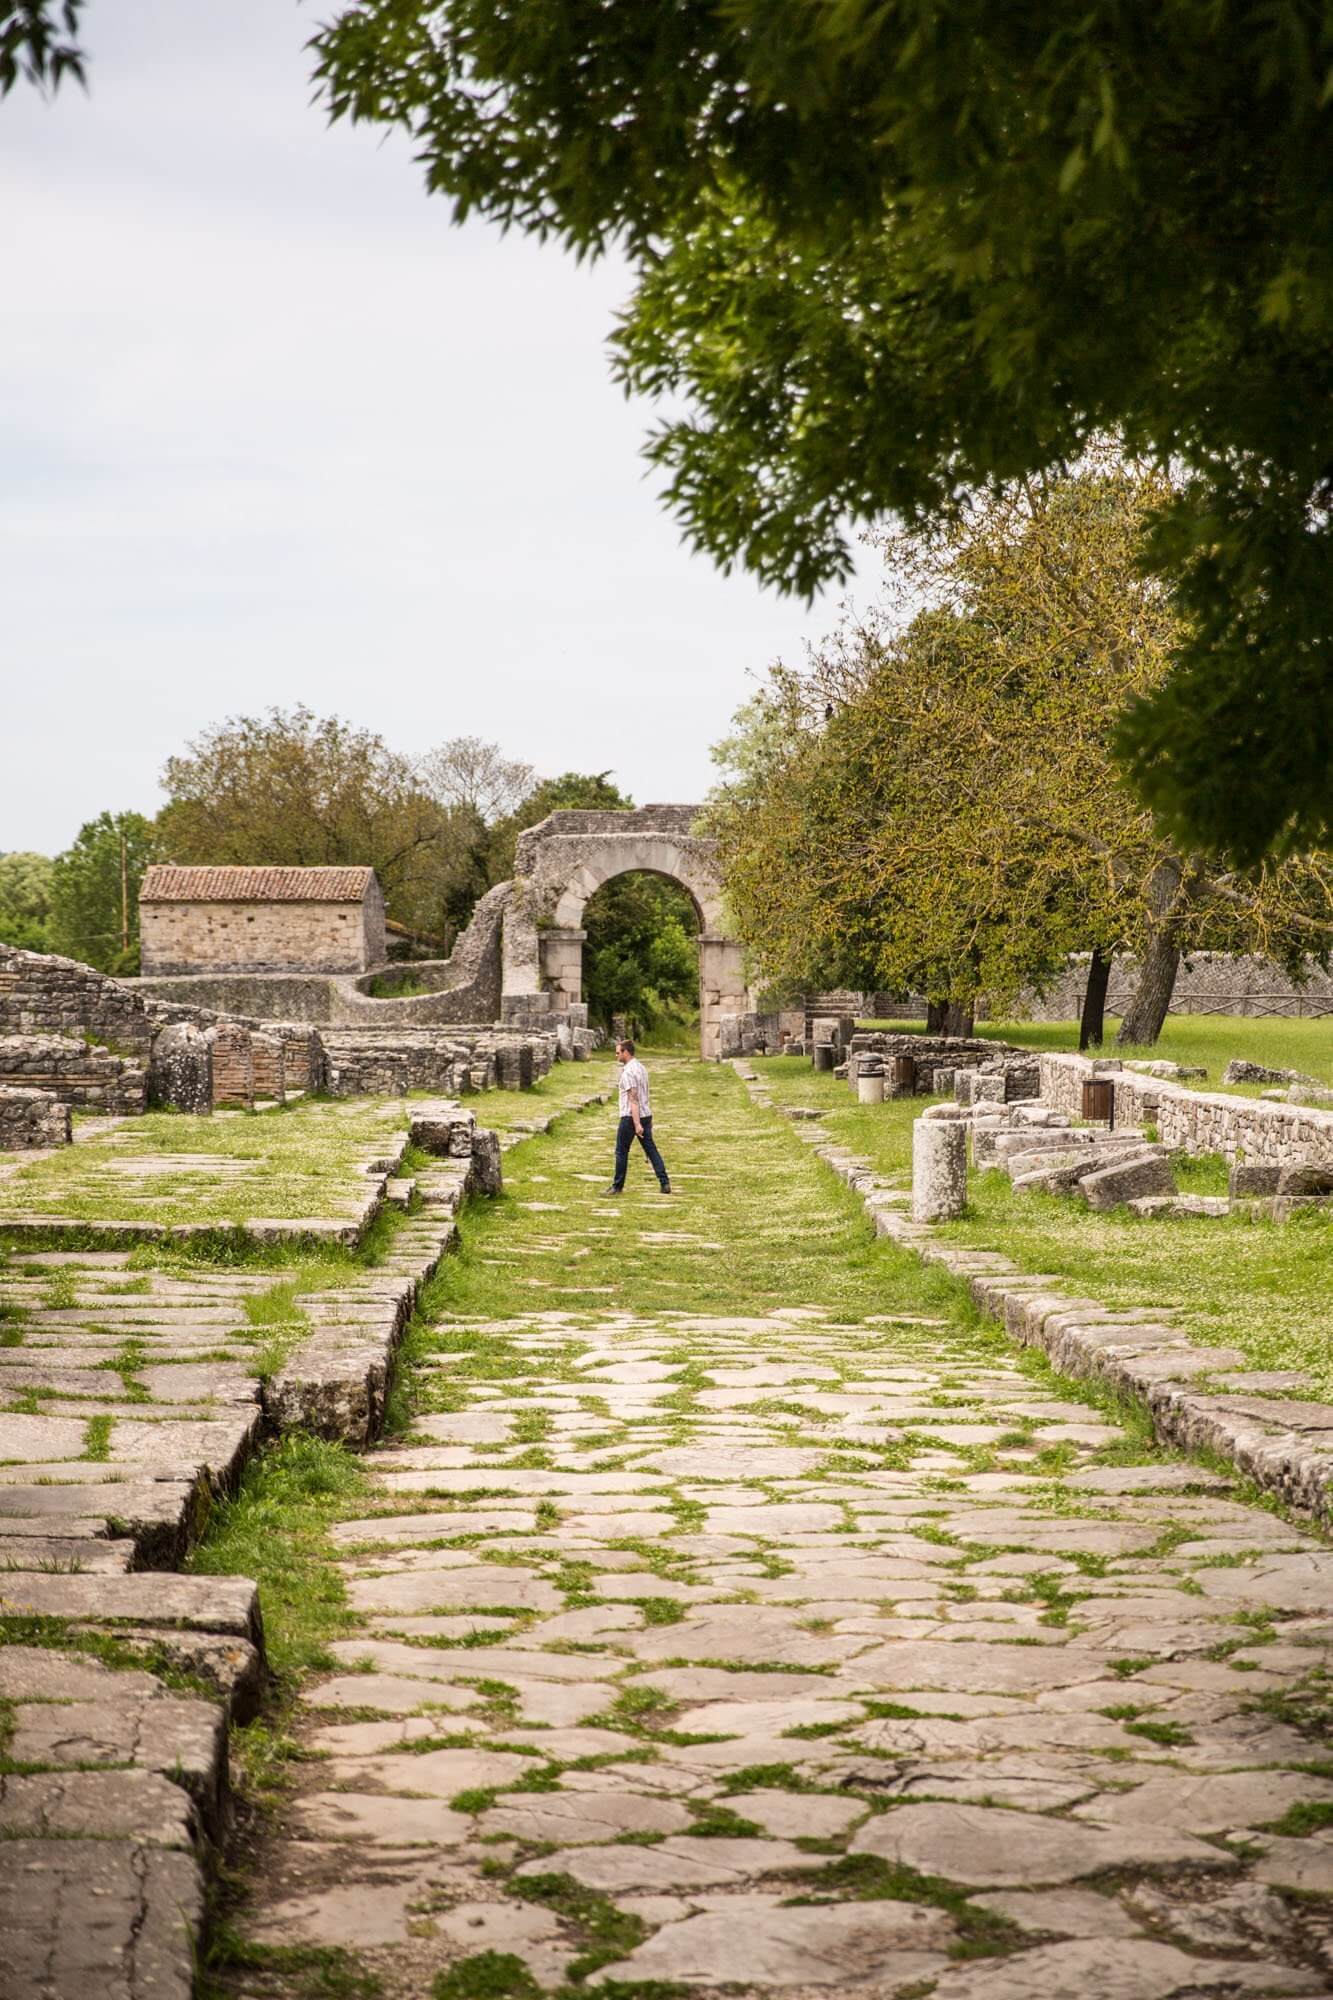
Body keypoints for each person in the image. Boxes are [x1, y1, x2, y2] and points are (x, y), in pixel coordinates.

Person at [603, 1038, 671, 1195]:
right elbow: (645, 1094)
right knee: (651, 1150)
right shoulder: (642, 1068)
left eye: (618, 1052)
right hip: (646, 1114)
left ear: (626, 1052)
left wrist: (637, 1123)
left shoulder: (628, 1073)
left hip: (631, 1117)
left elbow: (633, 1099)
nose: (616, 1056)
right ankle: (664, 1182)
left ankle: (617, 1186)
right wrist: (648, 1118)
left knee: (621, 1151)